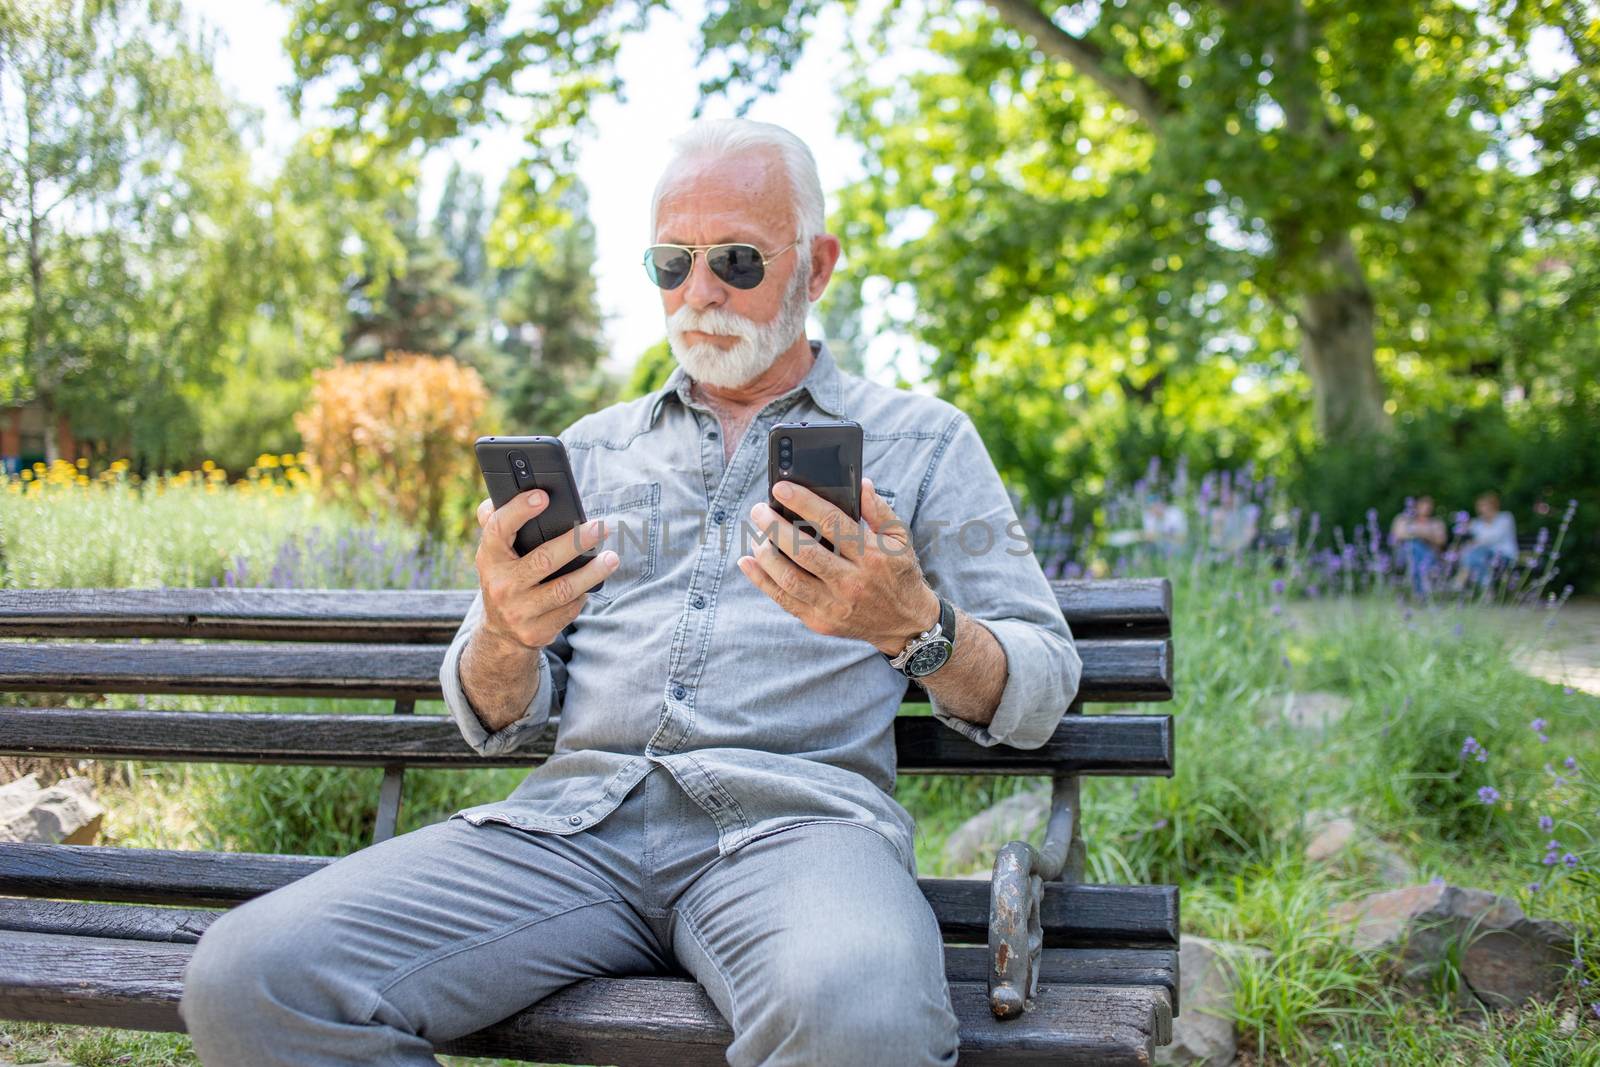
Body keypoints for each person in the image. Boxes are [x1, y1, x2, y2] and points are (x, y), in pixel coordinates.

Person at [177, 118, 1081, 1067]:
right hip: (568, 832)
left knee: (862, 1017)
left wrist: (918, 630)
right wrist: (505, 631)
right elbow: (492, 710)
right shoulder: (591, 448)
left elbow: (1044, 677)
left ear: (816, 268)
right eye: (670, 262)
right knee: (252, 976)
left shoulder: (926, 444)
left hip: (797, 836)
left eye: (736, 259)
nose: (698, 293)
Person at [1457, 491, 1518, 589]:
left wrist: (1475, 542)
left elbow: (1494, 537)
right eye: (1479, 507)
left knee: (1478, 555)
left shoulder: (1505, 518)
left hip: (1505, 556)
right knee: (1475, 556)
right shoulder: (1478, 523)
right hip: (1483, 557)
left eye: (1483, 506)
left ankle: (1459, 585)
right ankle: (1483, 590)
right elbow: (1465, 533)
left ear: (1493, 506)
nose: (1480, 510)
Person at [1390, 495, 1447, 597]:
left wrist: (1417, 533)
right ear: (1416, 506)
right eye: (1423, 505)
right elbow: (1397, 535)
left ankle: (1418, 593)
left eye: (1429, 506)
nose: (1426, 508)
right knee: (1414, 546)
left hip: (1429, 555)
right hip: (1406, 555)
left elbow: (1441, 541)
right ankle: (1421, 594)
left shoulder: (1436, 523)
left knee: (1417, 552)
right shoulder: (1403, 519)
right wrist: (1423, 535)